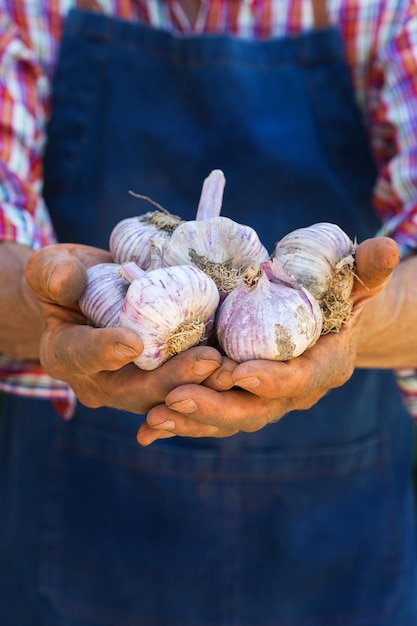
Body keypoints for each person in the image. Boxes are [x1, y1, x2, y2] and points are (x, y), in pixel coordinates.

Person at [0, 0, 416, 623]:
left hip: (337, 542)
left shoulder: (388, 11)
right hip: (79, 520)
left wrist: (345, 322)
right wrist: (48, 307)